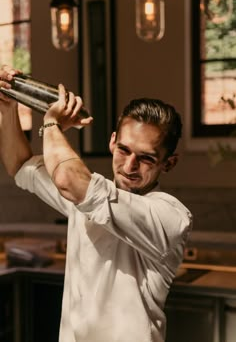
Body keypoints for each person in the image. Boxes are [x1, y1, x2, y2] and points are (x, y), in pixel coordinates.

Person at [0, 65, 192, 342]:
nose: (130, 166)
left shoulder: (170, 216)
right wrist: (8, 108)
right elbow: (19, 165)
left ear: (169, 163)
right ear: (112, 142)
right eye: (124, 150)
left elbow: (70, 180)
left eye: (146, 158)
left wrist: (51, 123)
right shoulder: (87, 197)